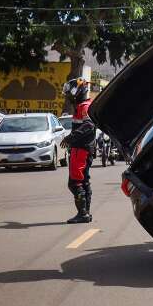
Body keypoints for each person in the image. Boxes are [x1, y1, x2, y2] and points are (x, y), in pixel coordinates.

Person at [60, 78, 96, 224]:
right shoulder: (82, 106)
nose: (68, 96)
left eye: (69, 93)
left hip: (81, 149)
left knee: (75, 182)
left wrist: (70, 137)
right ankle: (86, 212)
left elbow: (89, 125)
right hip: (83, 149)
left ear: (78, 92)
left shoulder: (84, 107)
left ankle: (83, 214)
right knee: (84, 181)